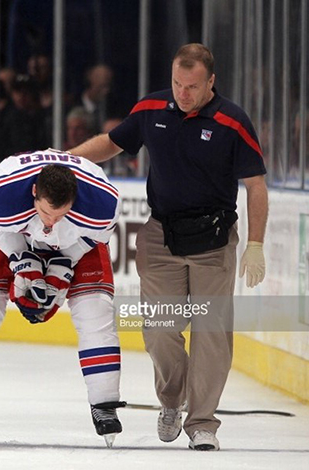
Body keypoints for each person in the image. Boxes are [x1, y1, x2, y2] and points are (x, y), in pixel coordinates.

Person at [69, 43, 268, 451]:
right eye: (177, 83)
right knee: (160, 330)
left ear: (211, 82)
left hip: (213, 240)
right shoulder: (151, 109)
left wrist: (256, 243)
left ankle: (202, 423)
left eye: (192, 86)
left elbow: (256, 185)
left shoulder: (233, 121)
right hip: (160, 237)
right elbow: (111, 143)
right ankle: (172, 401)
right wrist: (65, 159)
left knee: (211, 333)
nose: (183, 93)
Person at [0, 150, 123, 448]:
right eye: (47, 212)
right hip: (5, 234)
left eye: (61, 214)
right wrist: (21, 260)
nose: (50, 224)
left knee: (96, 311)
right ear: (34, 191)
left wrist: (64, 266)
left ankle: (105, 406)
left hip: (73, 241)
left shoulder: (102, 202)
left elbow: (96, 237)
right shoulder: (1, 196)